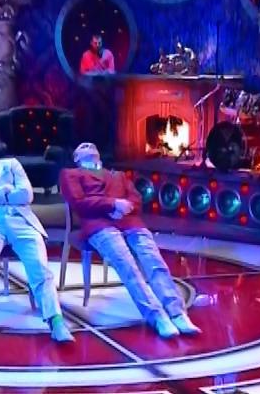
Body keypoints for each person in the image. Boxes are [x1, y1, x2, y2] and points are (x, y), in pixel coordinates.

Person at [59, 142, 201, 338]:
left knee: (154, 262)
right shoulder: (70, 174)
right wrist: (112, 204)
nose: (88, 147)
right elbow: (79, 203)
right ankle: (157, 316)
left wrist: (124, 207)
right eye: (83, 148)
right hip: (99, 224)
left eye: (92, 147)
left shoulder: (118, 175)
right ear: (76, 158)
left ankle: (177, 313)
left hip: (129, 221)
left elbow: (136, 199)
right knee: (127, 265)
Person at [0, 138, 74, 348]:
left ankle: (56, 321)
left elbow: (26, 195)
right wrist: (3, 191)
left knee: (40, 268)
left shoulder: (10, 164)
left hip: (21, 220)